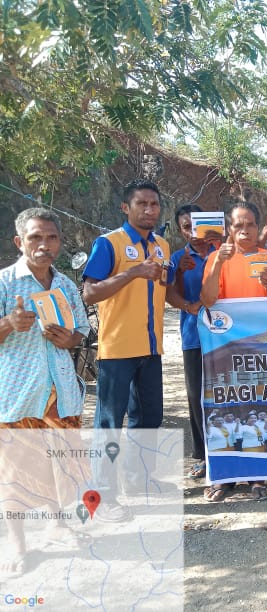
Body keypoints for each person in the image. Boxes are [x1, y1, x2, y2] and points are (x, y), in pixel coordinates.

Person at [83, 179, 186, 518]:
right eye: (141, 204)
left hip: (151, 347)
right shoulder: (108, 243)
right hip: (116, 349)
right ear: (126, 207)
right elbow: (90, 293)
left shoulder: (162, 246)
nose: (149, 210)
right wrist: (133, 273)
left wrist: (183, 287)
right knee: (110, 422)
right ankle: (104, 495)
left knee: (149, 417)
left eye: (154, 204)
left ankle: (140, 480)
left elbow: (164, 289)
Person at [0, 208, 91, 576]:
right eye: (36, 237)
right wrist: (7, 323)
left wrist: (72, 339)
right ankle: (19, 546)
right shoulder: (5, 284)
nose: (44, 245)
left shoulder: (65, 285)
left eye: (51, 237)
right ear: (20, 242)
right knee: (14, 472)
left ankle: (58, 525)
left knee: (60, 463)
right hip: (18, 395)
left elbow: (82, 328)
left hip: (61, 393)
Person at [199, 202, 267, 502]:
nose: (244, 231)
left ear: (258, 228)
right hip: (226, 349)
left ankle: (259, 474)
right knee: (227, 411)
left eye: (249, 225)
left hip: (263, 351)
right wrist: (218, 262)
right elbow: (207, 300)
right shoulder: (215, 259)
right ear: (229, 229)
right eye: (237, 226)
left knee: (260, 409)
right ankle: (226, 477)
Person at [170, 204, 218, 480]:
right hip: (193, 337)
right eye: (186, 227)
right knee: (196, 396)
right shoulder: (177, 258)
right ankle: (201, 455)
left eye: (197, 225)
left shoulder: (223, 254)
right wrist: (178, 274)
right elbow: (168, 294)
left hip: (226, 337)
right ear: (180, 230)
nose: (193, 232)